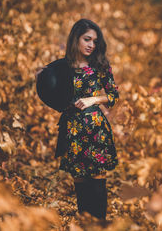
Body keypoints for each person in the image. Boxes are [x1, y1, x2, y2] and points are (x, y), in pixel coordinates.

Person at [37, 19, 120, 221]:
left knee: (97, 180)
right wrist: (41, 79)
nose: (91, 45)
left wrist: (94, 98)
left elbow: (113, 96)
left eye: (94, 41)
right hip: (72, 129)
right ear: (76, 39)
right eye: (87, 39)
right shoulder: (61, 67)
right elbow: (52, 93)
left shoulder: (100, 65)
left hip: (95, 129)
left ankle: (99, 225)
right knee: (81, 182)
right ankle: (85, 225)